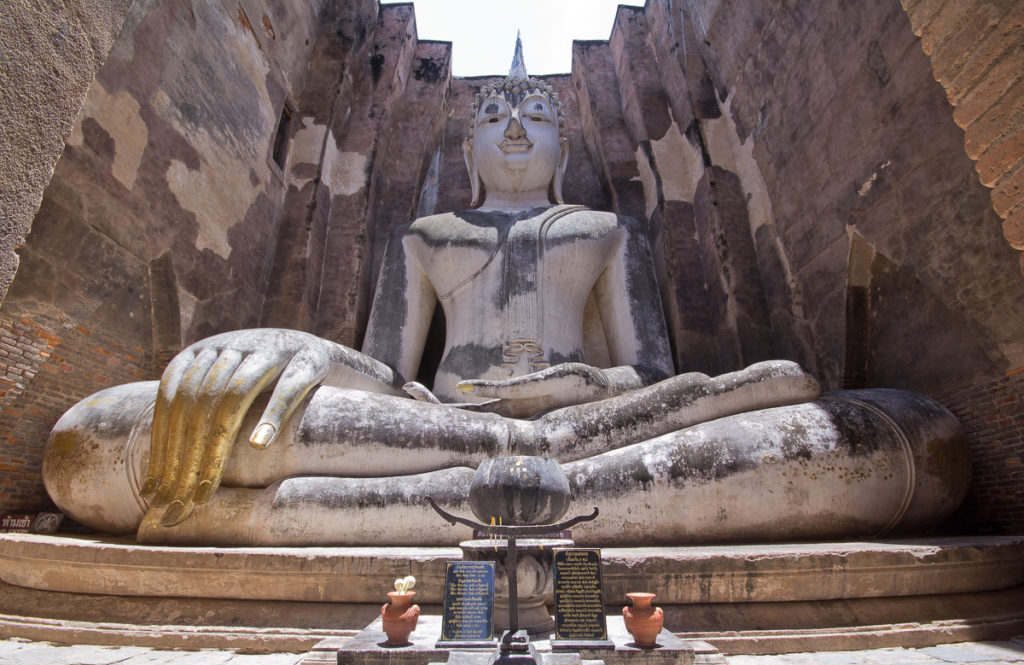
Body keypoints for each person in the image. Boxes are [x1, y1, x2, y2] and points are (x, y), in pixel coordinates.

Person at [43, 48, 969, 546]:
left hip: (599, 429)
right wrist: (311, 353)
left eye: (534, 115)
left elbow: (650, 375)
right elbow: (387, 374)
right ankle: (533, 482)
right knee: (99, 439)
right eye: (493, 114)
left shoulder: (608, 233)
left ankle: (470, 494)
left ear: (563, 143)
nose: (516, 125)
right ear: (467, 148)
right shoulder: (427, 237)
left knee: (912, 438)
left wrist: (585, 392)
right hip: (435, 428)